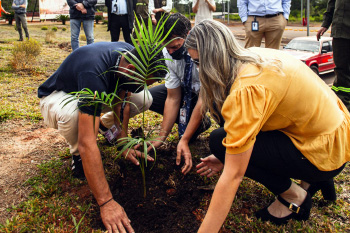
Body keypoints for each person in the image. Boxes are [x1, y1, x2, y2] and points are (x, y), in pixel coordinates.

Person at [184, 20, 349, 230]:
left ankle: (295, 195)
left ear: (210, 60)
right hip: (333, 135)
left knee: (219, 141)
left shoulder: (247, 89)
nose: (198, 71)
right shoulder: (255, 56)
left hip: (323, 153)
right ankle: (314, 179)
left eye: (198, 63)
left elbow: (233, 175)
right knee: (223, 145)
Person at [38, 42, 167, 232]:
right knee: (76, 117)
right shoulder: (94, 74)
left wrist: (123, 142)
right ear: (131, 70)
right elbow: (87, 143)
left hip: (94, 94)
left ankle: (105, 126)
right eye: (144, 81)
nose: (144, 86)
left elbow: (122, 98)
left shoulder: (128, 55)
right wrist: (106, 202)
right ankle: (77, 157)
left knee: (144, 98)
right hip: (60, 97)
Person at [147, 13, 211, 175]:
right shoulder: (167, 52)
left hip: (212, 94)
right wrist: (162, 137)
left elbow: (205, 99)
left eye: (175, 47)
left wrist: (184, 139)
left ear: (188, 35)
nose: (170, 51)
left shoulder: (205, 50)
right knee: (150, 97)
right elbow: (173, 97)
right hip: (187, 92)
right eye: (167, 47)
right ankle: (200, 123)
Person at [317, 0, 350, 111]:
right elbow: (331, 4)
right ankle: (342, 103)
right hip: (340, 32)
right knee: (340, 70)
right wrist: (325, 24)